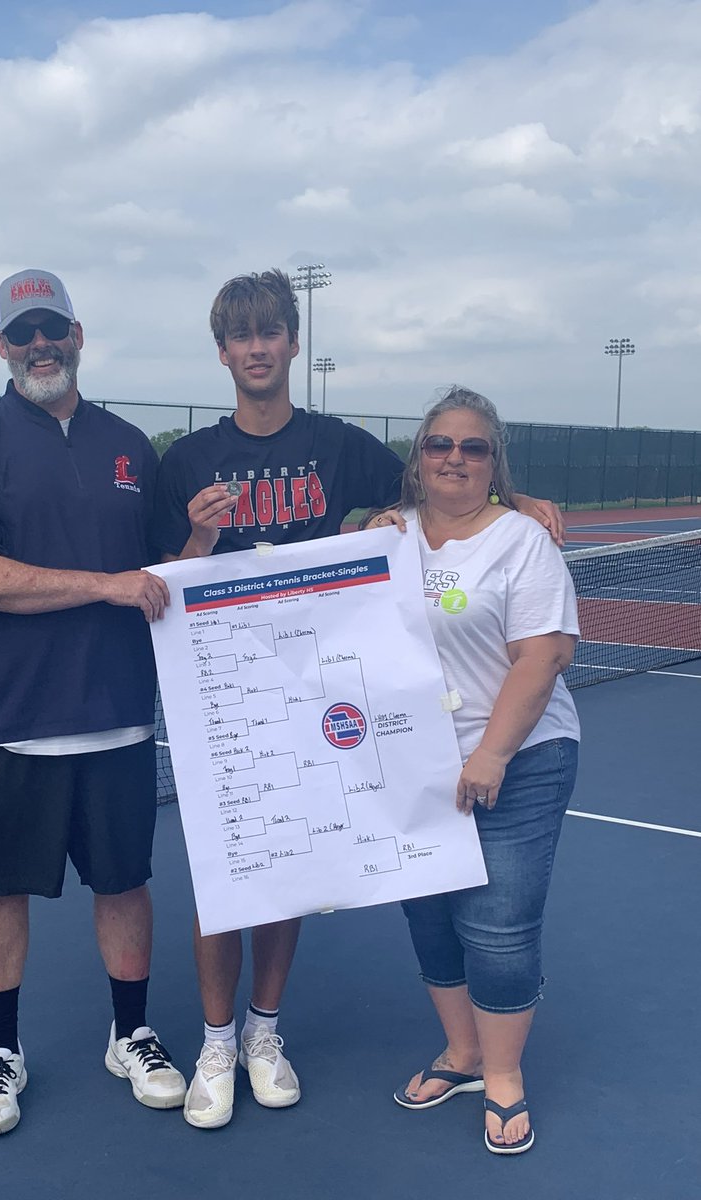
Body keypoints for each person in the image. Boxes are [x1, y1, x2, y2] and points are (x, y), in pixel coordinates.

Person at [152, 269, 566, 1130]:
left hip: (338, 698)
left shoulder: (344, 446)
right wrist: (197, 534)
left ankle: (266, 1034)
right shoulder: (186, 460)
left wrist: (517, 499)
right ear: (223, 351)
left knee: (294, 871)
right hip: (233, 698)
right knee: (228, 875)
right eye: (242, 336)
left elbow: (440, 493)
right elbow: (165, 582)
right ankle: (217, 1043)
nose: (258, 349)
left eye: (272, 333)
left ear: (293, 344)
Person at [0, 269, 185, 1137]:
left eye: (53, 328)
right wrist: (103, 585)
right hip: (11, 726)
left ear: (79, 335)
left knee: (126, 882)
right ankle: (0, 1053)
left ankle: (132, 1033)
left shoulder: (128, 446)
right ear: (2, 346)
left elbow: (159, 572)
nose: (41, 344)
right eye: (22, 332)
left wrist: (205, 540)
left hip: (119, 717)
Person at [368, 386, 579, 1155]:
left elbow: (546, 655)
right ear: (418, 460)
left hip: (522, 758)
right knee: (430, 917)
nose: (454, 457)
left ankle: (503, 1076)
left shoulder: (522, 541)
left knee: (497, 925)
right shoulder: (385, 540)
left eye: (473, 446)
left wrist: (490, 752)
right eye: (439, 445)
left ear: (496, 464)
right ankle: (460, 1056)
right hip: (417, 762)